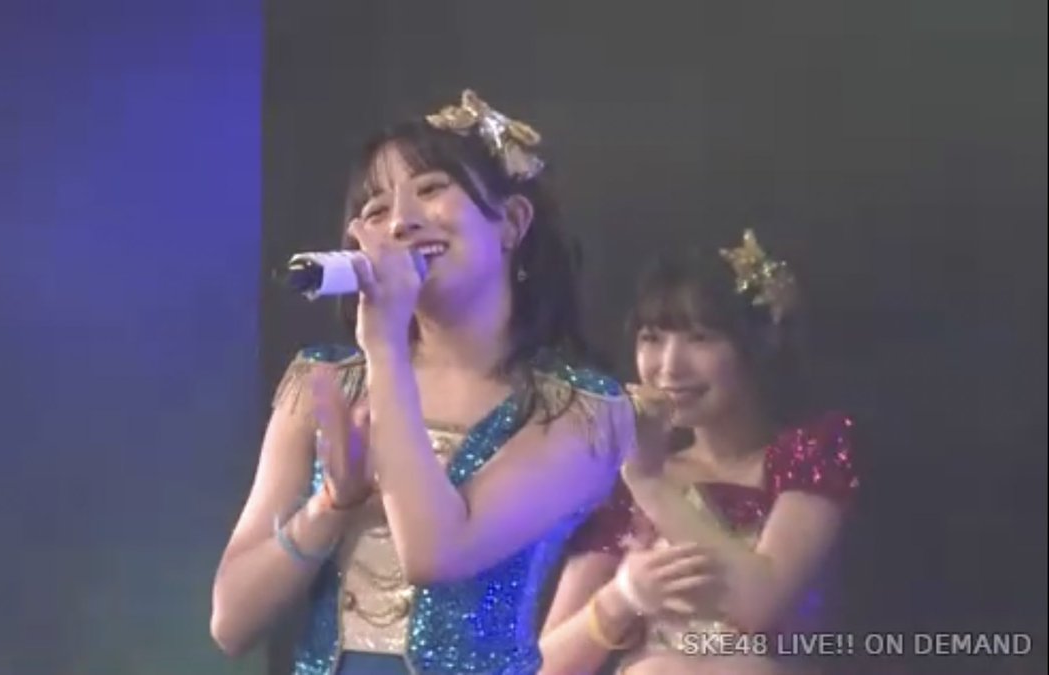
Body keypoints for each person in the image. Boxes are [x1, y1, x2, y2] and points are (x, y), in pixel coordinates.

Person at [210, 90, 638, 674]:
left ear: (512, 222)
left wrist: (385, 345)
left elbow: (436, 553)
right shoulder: (325, 381)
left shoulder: (577, 409)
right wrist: (330, 506)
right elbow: (231, 621)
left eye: (432, 188)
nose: (400, 221)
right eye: (376, 208)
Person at [539, 230, 860, 675]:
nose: (669, 367)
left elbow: (757, 602)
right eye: (652, 338)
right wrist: (622, 597)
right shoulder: (622, 482)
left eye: (700, 338)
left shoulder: (809, 453)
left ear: (760, 343)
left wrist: (651, 484)